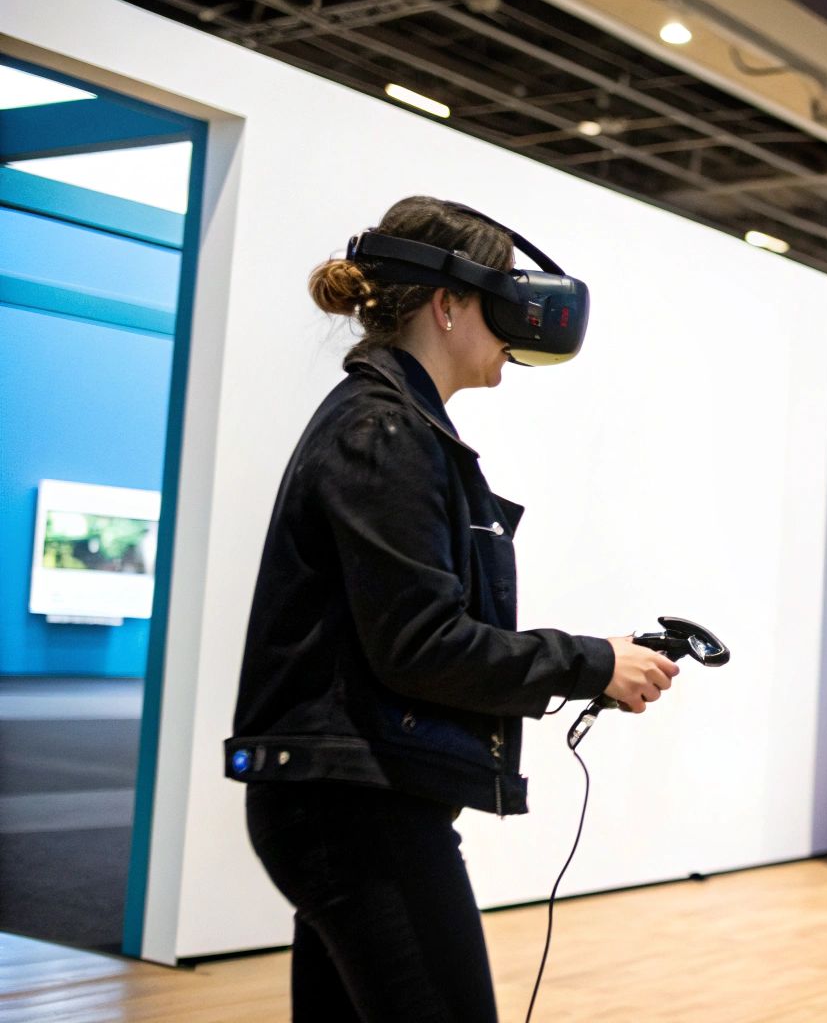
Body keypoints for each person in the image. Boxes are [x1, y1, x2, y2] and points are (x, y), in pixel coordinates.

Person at [223, 197, 680, 1021]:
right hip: (355, 811)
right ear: (447, 304)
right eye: (502, 299)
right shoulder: (385, 432)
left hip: (353, 800)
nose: (518, 325)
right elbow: (424, 646)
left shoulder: (399, 427)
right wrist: (593, 662)